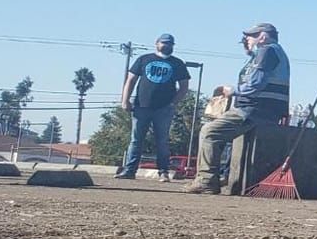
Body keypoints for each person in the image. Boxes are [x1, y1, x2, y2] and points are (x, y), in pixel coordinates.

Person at [188, 22, 290, 194]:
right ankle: (224, 177)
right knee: (229, 140)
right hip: (267, 110)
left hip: (253, 109)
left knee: (210, 132)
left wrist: (232, 91)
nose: (247, 39)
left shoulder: (267, 51)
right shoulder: (275, 52)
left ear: (263, 36)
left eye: (251, 36)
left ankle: (206, 180)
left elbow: (255, 84)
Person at [114, 33, 190, 180]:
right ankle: (130, 170)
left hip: (163, 109)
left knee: (162, 141)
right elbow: (130, 80)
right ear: (157, 43)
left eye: (170, 44)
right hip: (141, 107)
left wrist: (173, 103)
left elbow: (184, 87)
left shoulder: (177, 63)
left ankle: (163, 172)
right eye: (164, 43)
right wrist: (125, 100)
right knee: (136, 140)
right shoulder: (144, 59)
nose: (167, 46)